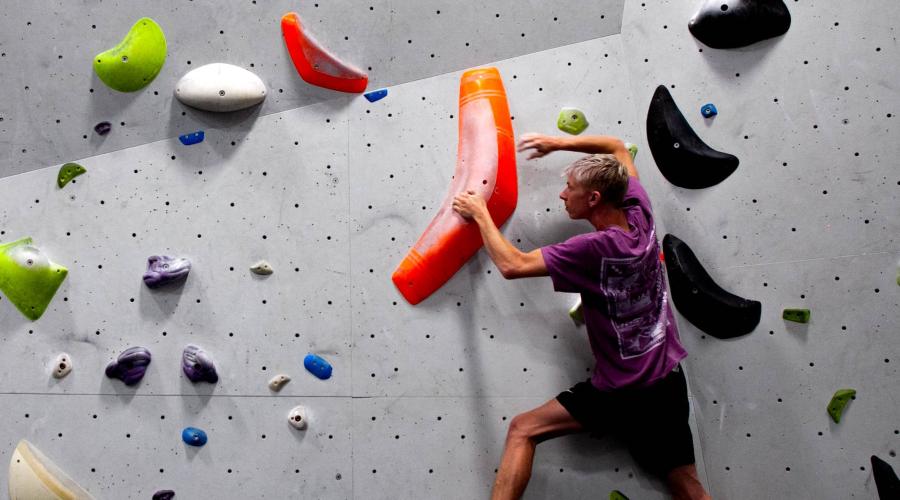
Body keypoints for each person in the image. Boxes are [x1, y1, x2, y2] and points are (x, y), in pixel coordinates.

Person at [451, 133, 711, 500]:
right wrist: (556, 145)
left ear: (593, 199)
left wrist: (480, 213)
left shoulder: (595, 249)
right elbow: (619, 148)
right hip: (666, 380)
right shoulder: (639, 212)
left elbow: (513, 264)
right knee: (687, 485)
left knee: (523, 430)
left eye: (569, 188)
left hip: (624, 390)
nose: (562, 194)